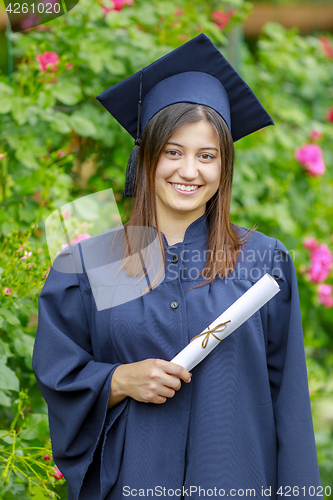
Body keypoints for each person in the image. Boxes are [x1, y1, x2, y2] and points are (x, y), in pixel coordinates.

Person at [33, 34, 322, 500]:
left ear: (223, 167)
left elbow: (287, 401)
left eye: (207, 156)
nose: (189, 170)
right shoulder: (94, 265)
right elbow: (58, 373)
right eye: (173, 151)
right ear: (145, 156)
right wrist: (117, 380)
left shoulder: (263, 261)